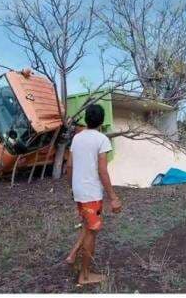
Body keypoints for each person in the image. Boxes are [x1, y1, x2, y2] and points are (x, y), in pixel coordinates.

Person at [65, 104, 122, 285]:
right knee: (92, 233)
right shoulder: (101, 139)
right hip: (91, 193)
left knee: (88, 225)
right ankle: (85, 276)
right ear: (101, 121)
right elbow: (102, 171)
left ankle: (73, 254)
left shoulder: (77, 138)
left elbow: (69, 166)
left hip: (80, 191)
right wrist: (113, 197)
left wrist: (72, 188)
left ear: (87, 119)